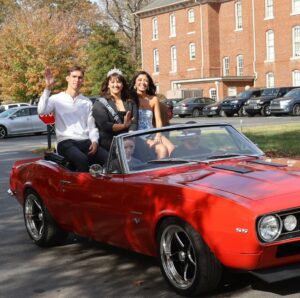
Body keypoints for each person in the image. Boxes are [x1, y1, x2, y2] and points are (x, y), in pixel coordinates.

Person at [38, 66, 108, 172]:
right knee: (82, 160)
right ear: (68, 78)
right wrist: (47, 88)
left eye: (80, 77)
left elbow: (91, 126)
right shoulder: (56, 99)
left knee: (109, 158)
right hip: (65, 142)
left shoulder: (86, 102)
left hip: (85, 141)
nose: (77, 80)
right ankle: (81, 188)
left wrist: (94, 141)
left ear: (83, 80)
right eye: (74, 76)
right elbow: (41, 111)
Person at [129, 70, 174, 158]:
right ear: (135, 83)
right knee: (162, 149)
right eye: (140, 80)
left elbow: (158, 120)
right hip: (138, 134)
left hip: (151, 131)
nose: (143, 82)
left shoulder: (154, 99)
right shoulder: (131, 98)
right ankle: (158, 171)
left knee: (171, 148)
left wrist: (158, 134)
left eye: (145, 80)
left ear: (149, 84)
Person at [92, 68, 138, 151]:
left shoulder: (130, 102)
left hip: (129, 139)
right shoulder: (100, 103)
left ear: (123, 84)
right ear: (108, 85)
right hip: (110, 140)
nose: (116, 85)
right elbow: (105, 125)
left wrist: (130, 136)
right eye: (112, 82)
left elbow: (134, 122)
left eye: (118, 82)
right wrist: (123, 126)